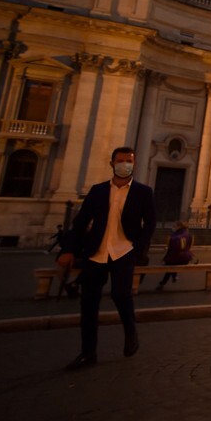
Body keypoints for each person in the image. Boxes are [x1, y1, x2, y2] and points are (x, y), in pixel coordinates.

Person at [59, 146, 156, 370]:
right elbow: (80, 222)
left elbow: (150, 224)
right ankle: (88, 352)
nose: (125, 165)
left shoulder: (143, 192)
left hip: (124, 250)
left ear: (134, 164)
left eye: (129, 161)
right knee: (88, 303)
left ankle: (131, 331)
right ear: (112, 164)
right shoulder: (98, 191)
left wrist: (138, 248)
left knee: (120, 294)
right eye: (121, 160)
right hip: (97, 252)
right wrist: (68, 250)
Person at [156, 222, 195, 290]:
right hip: (186, 259)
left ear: (178, 226)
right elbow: (189, 247)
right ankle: (171, 277)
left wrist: (164, 259)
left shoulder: (175, 237)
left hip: (178, 258)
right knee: (171, 265)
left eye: (174, 226)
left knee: (169, 265)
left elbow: (172, 251)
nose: (173, 227)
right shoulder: (188, 235)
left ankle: (164, 282)